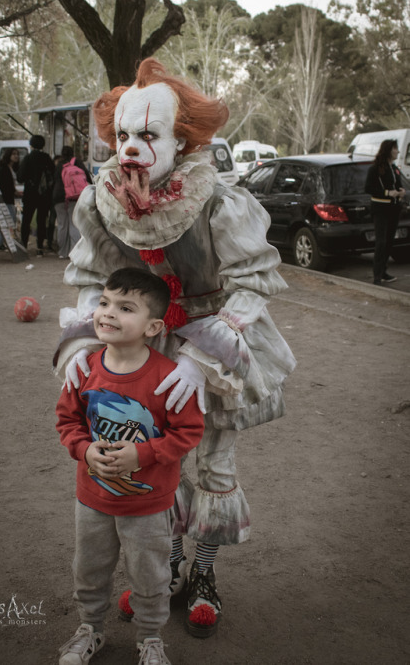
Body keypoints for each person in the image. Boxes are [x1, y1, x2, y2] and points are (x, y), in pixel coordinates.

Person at [54, 58, 296, 638]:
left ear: (180, 139)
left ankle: (205, 575)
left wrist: (201, 357)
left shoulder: (216, 200)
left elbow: (253, 280)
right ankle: (167, 573)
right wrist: (83, 344)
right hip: (146, 345)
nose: (134, 149)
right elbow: (93, 276)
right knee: (155, 460)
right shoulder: (104, 199)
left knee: (212, 465)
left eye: (150, 135)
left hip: (216, 343)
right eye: (126, 136)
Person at [56, 267, 205, 665]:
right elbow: (67, 422)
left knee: (151, 577)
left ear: (154, 326)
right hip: (92, 500)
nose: (107, 313)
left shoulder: (169, 378)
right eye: (104, 303)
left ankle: (151, 639)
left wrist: (142, 454)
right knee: (89, 570)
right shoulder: (84, 368)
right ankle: (90, 628)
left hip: (149, 505)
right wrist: (84, 451)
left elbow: (188, 432)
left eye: (125, 307)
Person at [365, 138, 406, 285]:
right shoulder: (375, 168)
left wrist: (401, 191)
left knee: (389, 241)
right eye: (395, 148)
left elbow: (399, 184)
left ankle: (383, 271)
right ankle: (377, 274)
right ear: (388, 150)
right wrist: (388, 193)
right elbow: (368, 188)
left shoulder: (394, 168)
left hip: (393, 209)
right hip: (380, 208)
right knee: (381, 242)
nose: (398, 151)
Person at [17, 134, 55, 256]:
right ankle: (40, 246)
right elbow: (52, 176)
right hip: (44, 196)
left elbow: (20, 178)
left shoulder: (28, 158)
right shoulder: (47, 158)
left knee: (26, 220)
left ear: (31, 144)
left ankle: (24, 244)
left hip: (30, 194)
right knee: (41, 220)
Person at [53, 145, 88, 259]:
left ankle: (62, 252)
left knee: (62, 225)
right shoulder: (77, 162)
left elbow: (54, 180)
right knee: (74, 224)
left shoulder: (59, 165)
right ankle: (74, 251)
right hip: (74, 197)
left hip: (59, 198)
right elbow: (87, 177)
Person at [0, 147, 20, 251]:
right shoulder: (3, 169)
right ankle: (2, 242)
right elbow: (3, 185)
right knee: (10, 220)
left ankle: (0, 243)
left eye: (17, 154)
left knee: (8, 221)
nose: (16, 156)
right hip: (5, 199)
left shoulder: (11, 168)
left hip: (10, 198)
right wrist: (12, 192)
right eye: (13, 154)